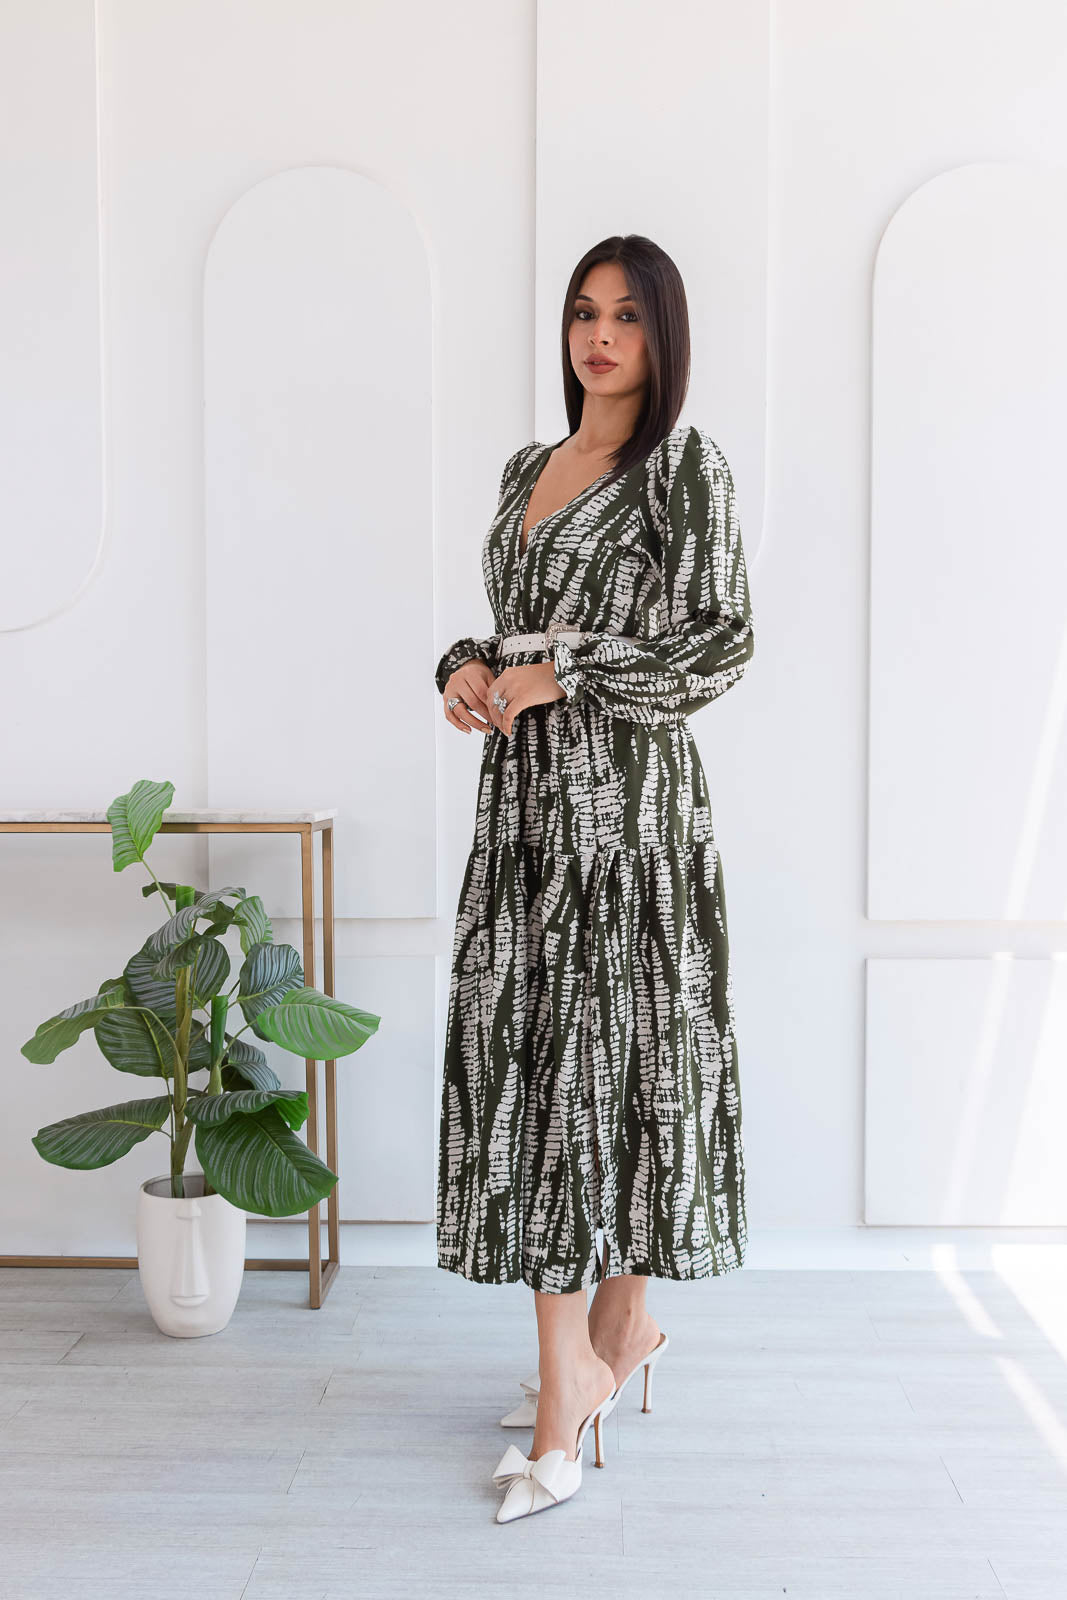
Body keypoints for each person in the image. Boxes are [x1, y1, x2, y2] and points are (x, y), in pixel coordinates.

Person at [434, 234, 755, 1523]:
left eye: (626, 315)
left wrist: (566, 674)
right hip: (523, 811)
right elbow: (516, 627)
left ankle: (575, 1376)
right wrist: (468, 667)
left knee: (608, 1066)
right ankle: (618, 1339)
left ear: (662, 334)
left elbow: (722, 642)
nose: (600, 337)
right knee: (538, 1059)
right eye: (582, 313)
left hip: (628, 815)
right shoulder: (531, 467)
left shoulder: (682, 467)